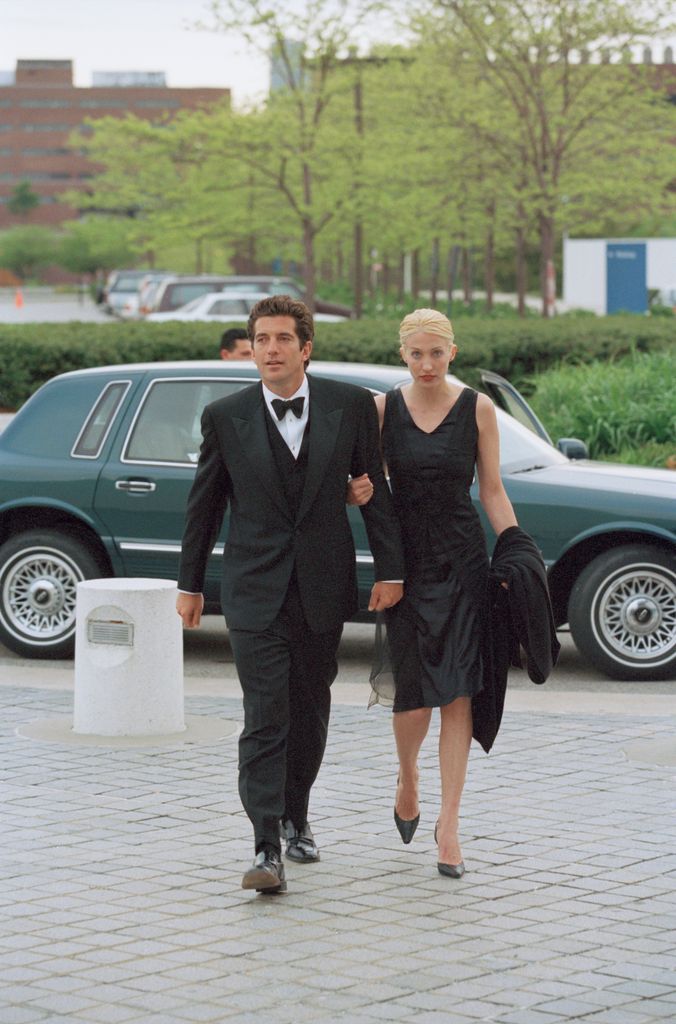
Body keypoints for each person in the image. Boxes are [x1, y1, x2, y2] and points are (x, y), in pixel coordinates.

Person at [176, 294, 405, 895]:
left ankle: (297, 814)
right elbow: (204, 506)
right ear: (249, 348)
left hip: (323, 585)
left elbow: (372, 486)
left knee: (309, 709)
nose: (270, 349)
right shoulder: (226, 416)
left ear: (306, 348)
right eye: (261, 339)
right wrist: (189, 584)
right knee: (264, 715)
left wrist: (391, 569)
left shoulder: (350, 406)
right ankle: (264, 845)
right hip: (253, 590)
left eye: (282, 339)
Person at [350, 308, 519, 879]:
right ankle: (408, 774)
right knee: (414, 693)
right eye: (416, 353)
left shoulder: (478, 408)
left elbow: (491, 491)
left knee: (459, 694)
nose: (426, 363)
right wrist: (356, 493)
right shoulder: (380, 410)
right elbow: (364, 491)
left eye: (436, 353)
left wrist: (516, 547)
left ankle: (449, 825)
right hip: (407, 565)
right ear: (403, 354)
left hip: (463, 562)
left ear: (453, 352)